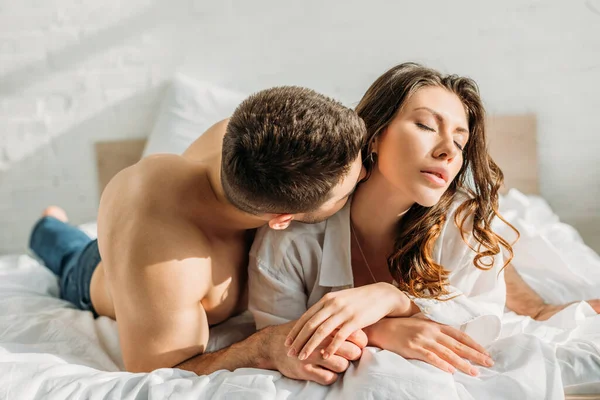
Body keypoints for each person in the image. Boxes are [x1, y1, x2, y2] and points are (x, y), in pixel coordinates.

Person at [248, 62, 600, 380]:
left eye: (460, 142)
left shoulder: (462, 220)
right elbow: (285, 344)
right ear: (374, 135)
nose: (449, 151)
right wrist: (378, 331)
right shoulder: (291, 236)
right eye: (426, 125)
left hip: (463, 228)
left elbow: (478, 314)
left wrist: (392, 299)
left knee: (520, 286)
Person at [28, 86, 369, 384]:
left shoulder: (251, 137)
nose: (367, 175)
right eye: (346, 192)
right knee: (64, 249)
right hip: (92, 276)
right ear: (281, 219)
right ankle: (48, 224)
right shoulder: (168, 258)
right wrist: (264, 347)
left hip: (143, 243)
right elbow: (156, 370)